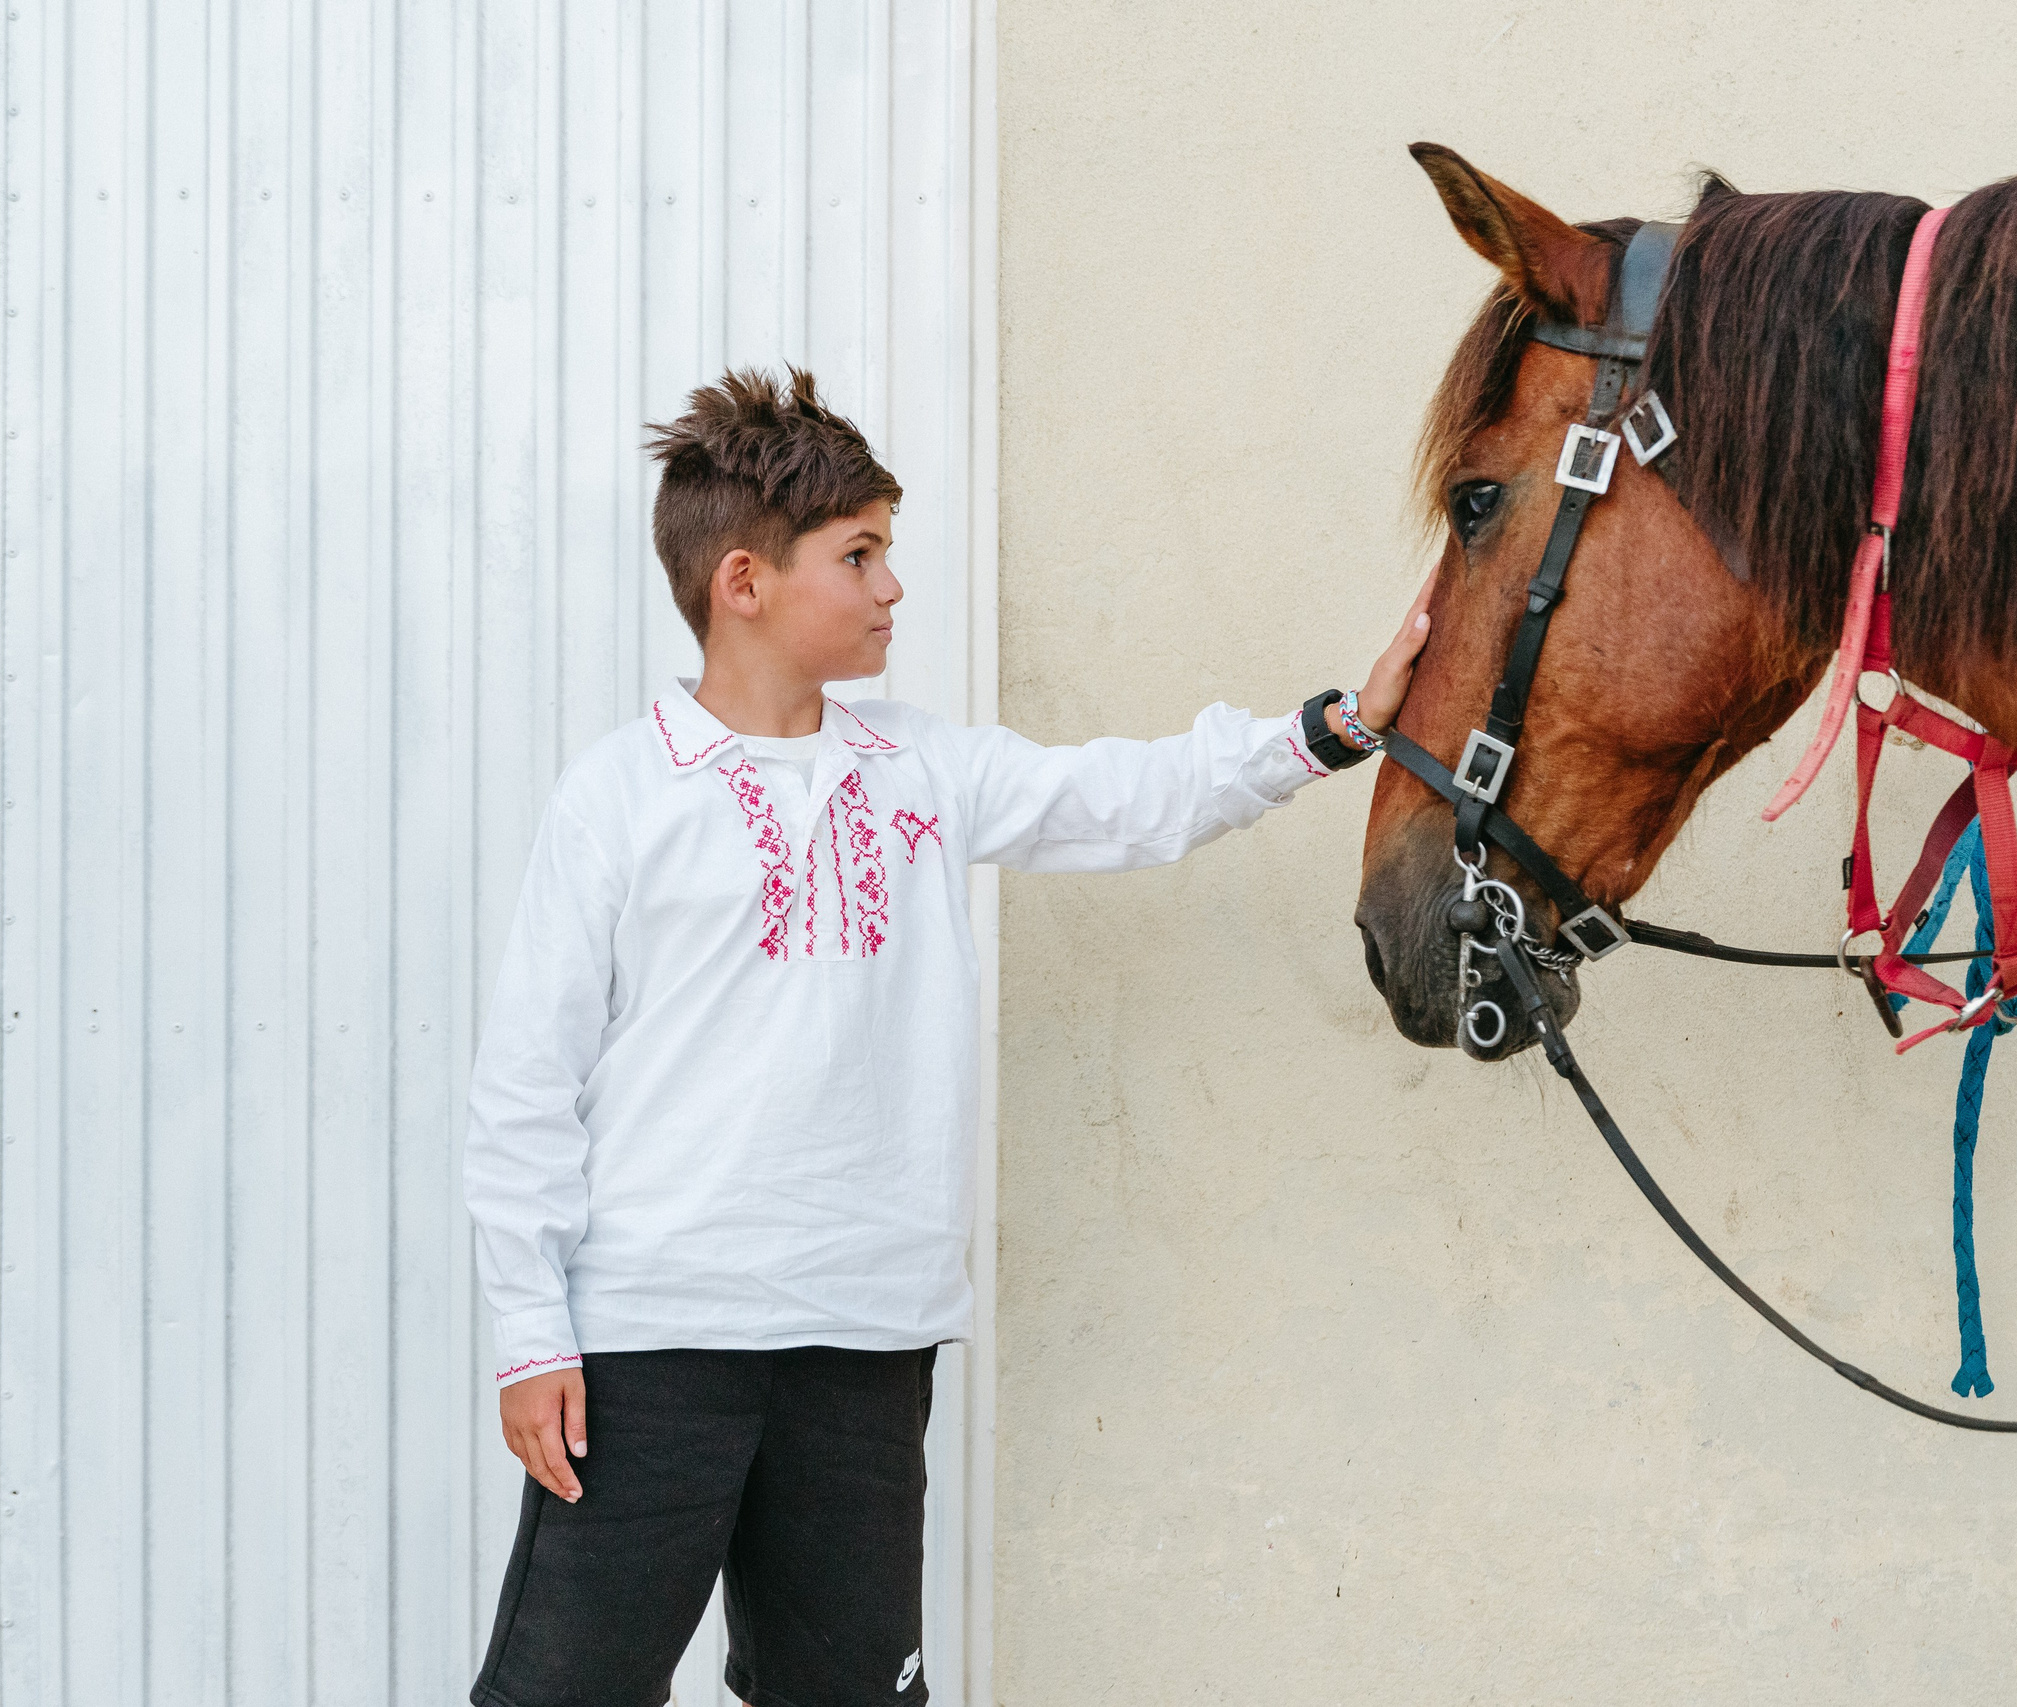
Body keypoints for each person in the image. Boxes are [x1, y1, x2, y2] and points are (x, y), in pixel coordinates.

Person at [465, 368, 1433, 1707]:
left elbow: (1124, 796)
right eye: (857, 556)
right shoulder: (619, 799)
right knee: (565, 1693)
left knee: (852, 1694)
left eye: (889, 554)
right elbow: (527, 1085)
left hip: (865, 1335)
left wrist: (1329, 732)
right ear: (742, 580)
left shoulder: (919, 771)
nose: (891, 589)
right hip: (651, 1341)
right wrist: (531, 1330)